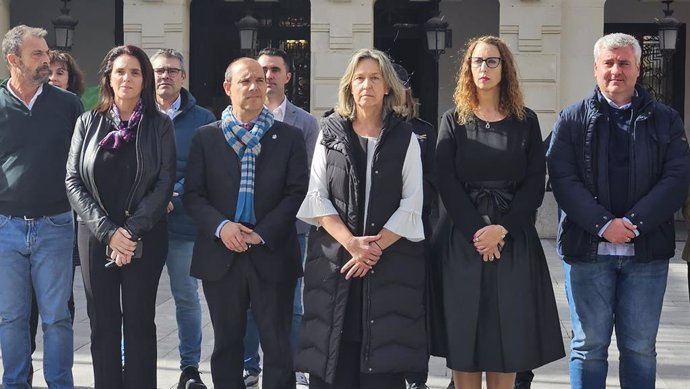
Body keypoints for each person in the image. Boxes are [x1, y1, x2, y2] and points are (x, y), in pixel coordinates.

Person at [547, 33, 690, 389]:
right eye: (608, 63)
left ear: (638, 69)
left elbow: (676, 179)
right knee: (588, 347)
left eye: (624, 63)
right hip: (587, 252)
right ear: (596, 68)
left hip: (647, 255)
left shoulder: (666, 121)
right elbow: (562, 178)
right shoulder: (571, 118)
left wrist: (633, 224)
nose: (616, 71)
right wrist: (602, 225)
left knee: (640, 349)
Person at [433, 35, 564, 389]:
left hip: (513, 241)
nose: (484, 68)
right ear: (468, 68)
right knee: (465, 334)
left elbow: (536, 182)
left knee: (508, 336)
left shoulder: (526, 120)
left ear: (504, 69)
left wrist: (501, 230)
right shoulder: (453, 119)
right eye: (477, 61)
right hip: (462, 240)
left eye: (492, 61)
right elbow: (445, 180)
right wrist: (479, 231)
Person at [295, 48, 427, 389]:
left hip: (390, 266)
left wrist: (373, 249)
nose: (366, 84)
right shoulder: (330, 133)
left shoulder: (406, 137)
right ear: (349, 87)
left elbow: (413, 204)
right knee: (336, 359)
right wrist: (353, 244)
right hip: (336, 263)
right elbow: (316, 197)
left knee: (382, 366)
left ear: (387, 87)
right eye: (359, 78)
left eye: (374, 78)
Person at [183, 57, 308, 389]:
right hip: (221, 255)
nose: (255, 86)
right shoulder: (205, 138)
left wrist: (261, 233)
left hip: (272, 252)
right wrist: (223, 227)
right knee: (226, 346)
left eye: (260, 80)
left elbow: (297, 193)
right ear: (228, 88)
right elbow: (193, 195)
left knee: (278, 346)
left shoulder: (289, 137)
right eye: (245, 81)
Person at [65, 44, 176, 388]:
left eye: (135, 72)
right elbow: (73, 179)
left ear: (145, 80)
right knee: (103, 322)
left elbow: (164, 182)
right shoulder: (87, 122)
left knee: (141, 321)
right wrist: (108, 232)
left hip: (146, 234)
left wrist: (129, 232)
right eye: (120, 72)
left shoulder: (160, 125)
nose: (127, 78)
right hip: (96, 237)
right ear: (108, 79)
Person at [0, 25, 83, 389]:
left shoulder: (68, 105)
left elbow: (82, 163)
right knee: (10, 317)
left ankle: (60, 384)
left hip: (56, 226)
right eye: (37, 54)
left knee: (57, 318)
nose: (47, 60)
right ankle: (15, 383)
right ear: (12, 60)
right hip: (6, 228)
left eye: (47, 53)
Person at [240, 47, 318, 388]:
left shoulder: (305, 122)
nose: (267, 76)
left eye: (274, 70)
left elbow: (310, 176)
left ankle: (294, 361)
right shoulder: (239, 118)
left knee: (292, 299)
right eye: (262, 70)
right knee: (247, 302)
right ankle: (248, 365)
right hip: (246, 226)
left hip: (292, 226)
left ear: (287, 76)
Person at [151, 48, 215, 389]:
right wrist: (151, 201)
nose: (165, 76)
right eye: (159, 70)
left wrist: (168, 196)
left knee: (186, 296)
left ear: (183, 77)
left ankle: (190, 369)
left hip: (183, 224)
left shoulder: (203, 118)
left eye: (172, 71)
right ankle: (126, 360)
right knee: (134, 297)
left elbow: (204, 168)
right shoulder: (137, 113)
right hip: (142, 225)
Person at [25, 50, 86, 384]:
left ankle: (58, 374)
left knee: (60, 305)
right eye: (50, 72)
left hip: (63, 221)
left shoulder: (77, 113)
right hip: (23, 221)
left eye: (60, 72)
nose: (53, 78)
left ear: (70, 77)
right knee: (22, 308)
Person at [391, 63, 437, 389]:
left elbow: (432, 182)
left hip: (414, 232)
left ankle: (416, 377)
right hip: (375, 232)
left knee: (413, 310)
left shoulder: (424, 130)